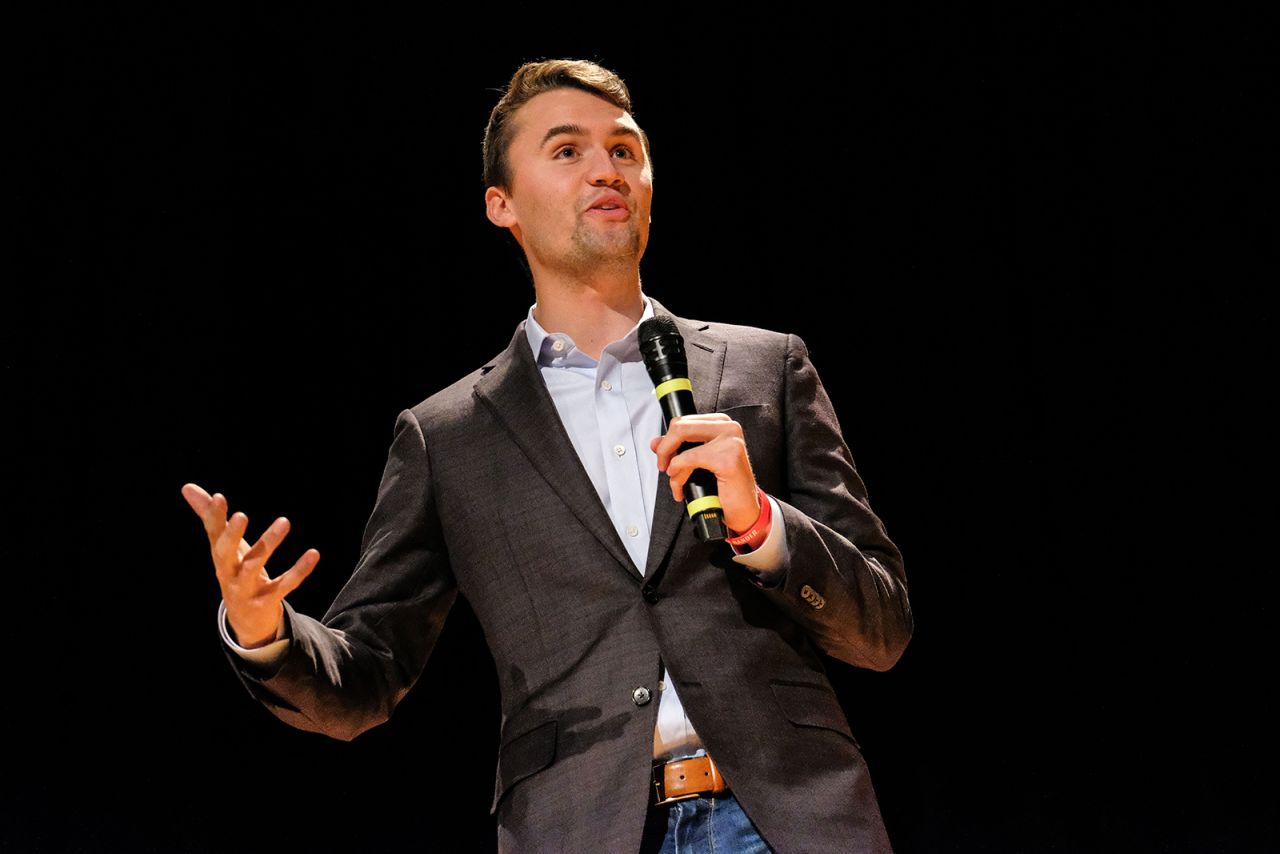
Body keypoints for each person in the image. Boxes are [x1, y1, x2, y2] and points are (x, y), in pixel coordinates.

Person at [183, 58, 912, 853]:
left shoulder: (765, 367)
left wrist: (765, 525)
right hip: (580, 828)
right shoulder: (449, 435)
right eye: (567, 151)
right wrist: (266, 633)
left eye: (625, 149)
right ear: (502, 205)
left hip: (791, 816)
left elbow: (882, 628)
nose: (607, 169)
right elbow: (367, 675)